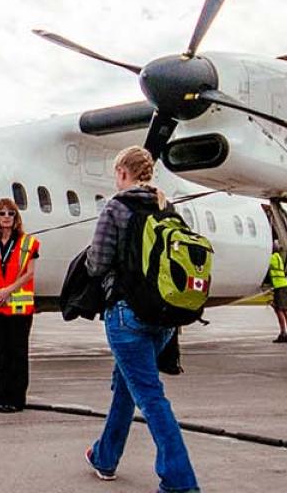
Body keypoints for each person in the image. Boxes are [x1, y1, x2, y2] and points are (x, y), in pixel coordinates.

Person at [84, 146, 200, 493]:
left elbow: (97, 264)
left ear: (123, 172)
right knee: (127, 388)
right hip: (163, 319)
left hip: (126, 316)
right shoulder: (167, 207)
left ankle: (180, 481)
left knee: (150, 397)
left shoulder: (117, 207)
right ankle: (105, 457)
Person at [0, 198, 39, 413]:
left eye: (10, 213)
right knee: (1, 354)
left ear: (16, 218)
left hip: (19, 309)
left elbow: (29, 272)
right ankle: (1, 397)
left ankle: (16, 399)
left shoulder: (28, 243)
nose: (6, 217)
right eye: (1, 213)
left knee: (18, 353)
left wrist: (7, 291)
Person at [268, 247, 287, 342]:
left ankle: (283, 333)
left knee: (279, 311)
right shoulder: (278, 257)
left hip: (280, 287)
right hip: (284, 285)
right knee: (285, 311)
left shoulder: (271, 258)